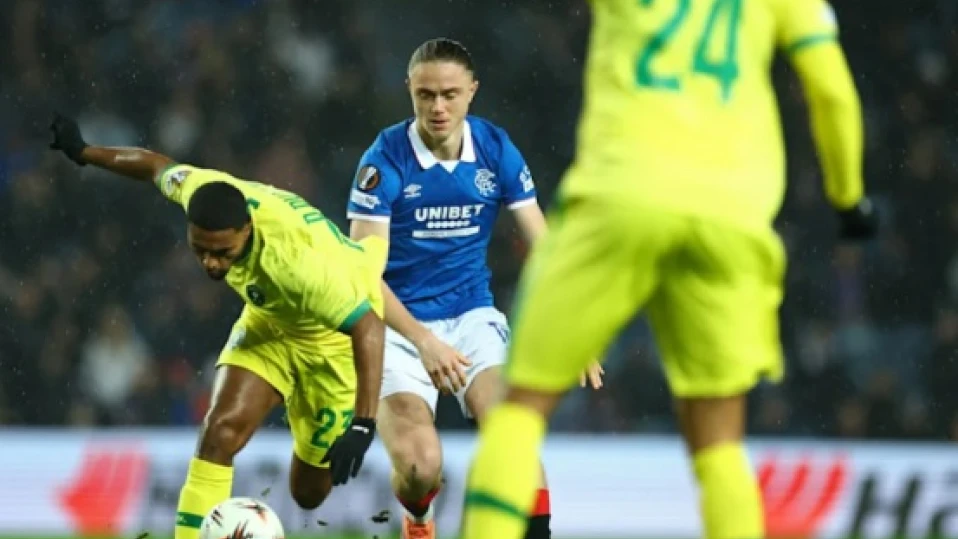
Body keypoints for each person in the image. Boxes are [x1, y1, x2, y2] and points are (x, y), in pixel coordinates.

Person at [461, 1, 878, 538]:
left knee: (519, 413)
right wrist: (849, 198)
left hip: (620, 195)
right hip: (728, 213)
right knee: (719, 443)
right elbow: (832, 91)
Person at [49, 113, 387, 539]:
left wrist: (363, 423)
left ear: (247, 229)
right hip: (271, 322)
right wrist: (85, 153)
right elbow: (154, 165)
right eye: (200, 250)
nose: (211, 263)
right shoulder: (201, 190)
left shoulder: (294, 265)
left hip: (332, 343)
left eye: (223, 252)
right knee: (219, 433)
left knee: (308, 493)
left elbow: (369, 328)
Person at [345, 38, 604, 539]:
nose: (437, 107)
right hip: (397, 324)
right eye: (425, 95)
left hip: (471, 315)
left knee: (510, 433)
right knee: (420, 467)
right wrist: (423, 340)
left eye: (449, 94)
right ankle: (418, 517)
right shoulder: (384, 161)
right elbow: (363, 276)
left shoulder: (495, 148)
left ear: (472, 92)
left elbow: (544, 245)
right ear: (410, 90)